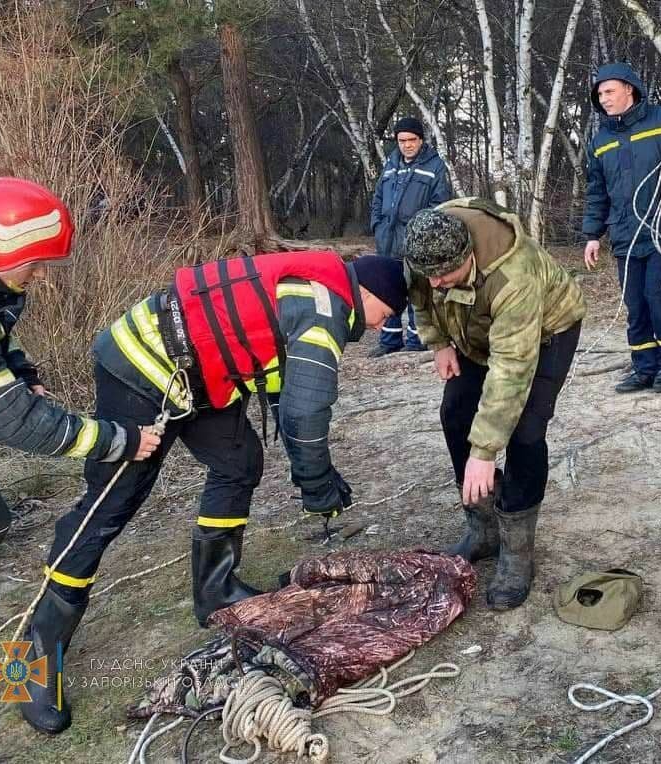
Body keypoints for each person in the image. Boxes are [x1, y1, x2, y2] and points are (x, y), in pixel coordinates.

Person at [20, 249, 408, 734]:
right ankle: (31, 659)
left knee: (238, 462)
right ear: (368, 293)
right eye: (385, 314)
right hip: (140, 365)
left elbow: (285, 392)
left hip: (197, 376)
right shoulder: (325, 309)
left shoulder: (317, 293)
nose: (378, 326)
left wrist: (309, 471)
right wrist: (318, 486)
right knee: (113, 502)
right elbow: (306, 418)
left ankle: (215, 589)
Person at [404, 199, 586, 610]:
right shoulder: (426, 247)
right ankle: (483, 529)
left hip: (545, 332)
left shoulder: (514, 276)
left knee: (524, 432)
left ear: (467, 256)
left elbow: (511, 369)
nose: (435, 284)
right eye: (428, 274)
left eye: (445, 275)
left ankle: (518, 552)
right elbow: (420, 296)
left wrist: (484, 452)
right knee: (454, 413)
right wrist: (438, 342)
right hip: (476, 332)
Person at [0, 177, 159, 567]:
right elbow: (13, 419)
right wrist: (116, 441)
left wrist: (23, 375)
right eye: (35, 262)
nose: (42, 275)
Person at [582, 63, 661, 393]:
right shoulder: (600, 141)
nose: (604, 98)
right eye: (599, 94)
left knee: (660, 299)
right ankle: (642, 368)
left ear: (629, 88)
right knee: (635, 304)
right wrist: (592, 235)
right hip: (624, 235)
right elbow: (597, 191)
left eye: (609, 91)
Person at [369, 116, 451, 356]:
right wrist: (377, 224)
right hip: (388, 240)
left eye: (411, 140)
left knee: (418, 291)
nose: (407, 145)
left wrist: (423, 232)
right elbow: (377, 198)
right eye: (402, 140)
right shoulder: (391, 164)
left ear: (421, 140)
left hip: (417, 241)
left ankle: (418, 340)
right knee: (388, 289)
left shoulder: (435, 166)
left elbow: (441, 204)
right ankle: (390, 340)